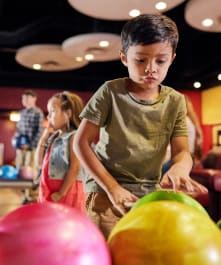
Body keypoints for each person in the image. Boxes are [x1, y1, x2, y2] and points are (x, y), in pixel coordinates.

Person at [73, 14, 207, 238]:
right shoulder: (110, 92)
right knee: (108, 252)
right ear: (124, 57)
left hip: (149, 193)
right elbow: (81, 142)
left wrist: (180, 168)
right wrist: (112, 188)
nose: (150, 69)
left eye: (160, 61)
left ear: (172, 58)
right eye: (141, 60)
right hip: (105, 191)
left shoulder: (175, 101)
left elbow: (182, 151)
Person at [35, 91, 85, 212]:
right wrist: (43, 138)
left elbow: (75, 167)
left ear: (67, 113)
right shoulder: (53, 137)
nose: (48, 116)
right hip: (48, 189)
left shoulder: (74, 137)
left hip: (66, 192)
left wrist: (61, 193)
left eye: (52, 111)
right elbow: (39, 162)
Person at [13, 90, 44, 171]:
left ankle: (32, 183)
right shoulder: (22, 113)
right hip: (20, 146)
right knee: (19, 166)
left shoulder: (38, 112)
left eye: (27, 98)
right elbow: (18, 129)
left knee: (30, 168)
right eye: (23, 98)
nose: (24, 100)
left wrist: (30, 145)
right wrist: (17, 141)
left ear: (34, 99)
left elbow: (40, 131)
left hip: (32, 146)